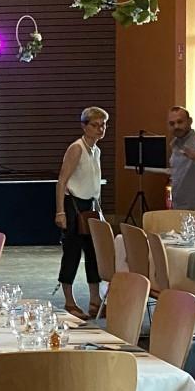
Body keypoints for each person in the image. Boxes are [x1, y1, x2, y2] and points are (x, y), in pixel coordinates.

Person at [54, 107, 107, 319]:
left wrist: (99, 210)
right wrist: (60, 212)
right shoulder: (76, 148)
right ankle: (69, 301)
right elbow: (62, 181)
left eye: (103, 125)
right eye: (95, 125)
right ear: (84, 126)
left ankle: (95, 300)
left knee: (94, 254)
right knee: (72, 253)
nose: (100, 129)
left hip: (90, 206)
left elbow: (95, 184)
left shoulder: (97, 150)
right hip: (73, 205)